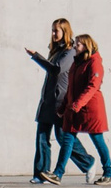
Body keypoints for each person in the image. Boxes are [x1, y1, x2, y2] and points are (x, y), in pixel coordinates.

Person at [24, 18, 96, 183]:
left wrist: (36, 56)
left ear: (65, 31)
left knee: (63, 136)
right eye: (52, 30)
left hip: (59, 102)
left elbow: (55, 70)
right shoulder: (56, 51)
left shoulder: (69, 52)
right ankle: (40, 174)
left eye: (56, 30)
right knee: (42, 137)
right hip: (47, 101)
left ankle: (88, 162)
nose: (53, 34)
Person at [52, 32, 111, 184]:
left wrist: (77, 104)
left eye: (78, 44)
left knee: (98, 140)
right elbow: (71, 88)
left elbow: (92, 86)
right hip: (74, 109)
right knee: (67, 140)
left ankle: (108, 172)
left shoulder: (94, 62)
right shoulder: (76, 62)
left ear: (86, 46)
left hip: (91, 110)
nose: (75, 46)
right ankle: (58, 174)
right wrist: (64, 106)